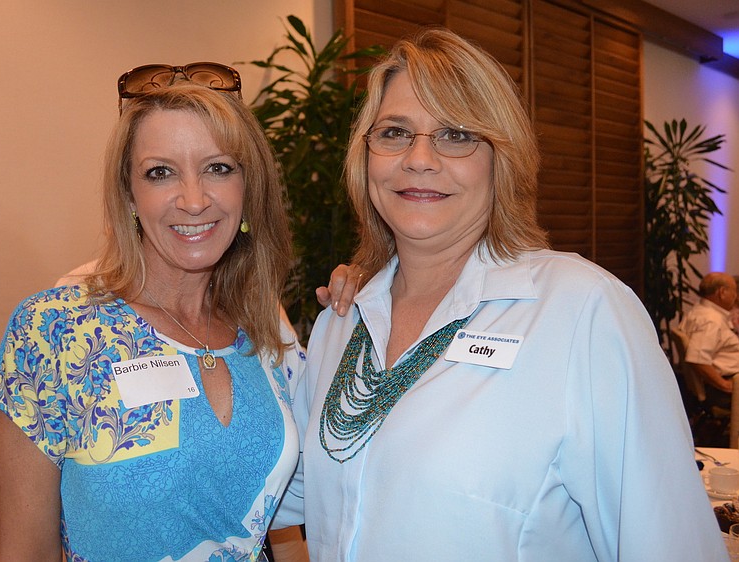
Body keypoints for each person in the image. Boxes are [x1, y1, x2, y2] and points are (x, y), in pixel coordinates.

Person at [291, 28, 727, 561]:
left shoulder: (581, 312)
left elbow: (669, 544)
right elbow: (287, 490)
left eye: (455, 134)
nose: (419, 158)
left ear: (503, 157)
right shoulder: (342, 319)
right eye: (394, 132)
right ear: (365, 157)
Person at [0, 63, 313, 562]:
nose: (194, 199)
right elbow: (25, 551)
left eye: (218, 168)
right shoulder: (52, 332)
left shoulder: (262, 330)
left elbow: (284, 518)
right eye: (161, 173)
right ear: (129, 197)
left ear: (249, 190)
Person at [679, 272, 739, 398]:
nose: (736, 296)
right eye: (734, 291)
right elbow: (697, 358)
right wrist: (725, 385)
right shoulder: (710, 320)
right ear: (722, 292)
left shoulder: (699, 312)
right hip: (724, 389)